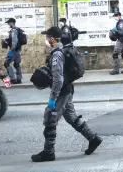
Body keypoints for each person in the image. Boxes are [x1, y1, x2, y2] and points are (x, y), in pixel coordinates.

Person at [31, 27, 102, 162]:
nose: (46, 40)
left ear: (52, 39)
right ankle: (93, 138)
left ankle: (48, 152)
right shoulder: (62, 50)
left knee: (50, 120)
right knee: (71, 117)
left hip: (61, 92)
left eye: (47, 37)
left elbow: (58, 79)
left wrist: (52, 99)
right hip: (67, 91)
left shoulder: (57, 54)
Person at [3, 18, 23, 84]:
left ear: (12, 22)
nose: (8, 24)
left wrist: (12, 48)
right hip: (18, 50)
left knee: (6, 63)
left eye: (9, 23)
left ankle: (13, 79)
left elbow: (15, 40)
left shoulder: (14, 30)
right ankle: (19, 79)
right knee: (16, 64)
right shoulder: (18, 29)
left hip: (13, 50)